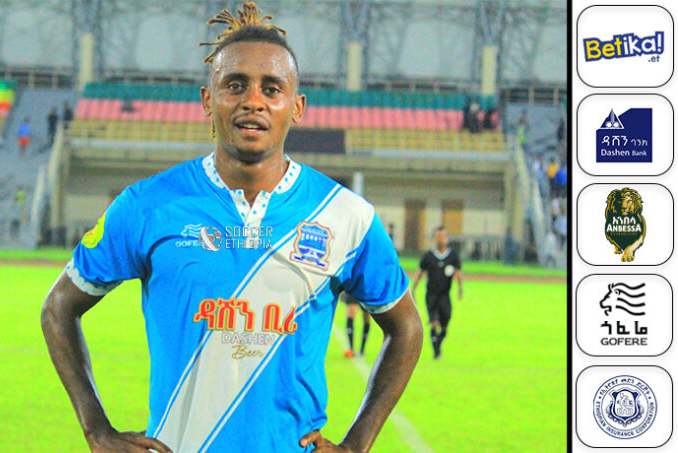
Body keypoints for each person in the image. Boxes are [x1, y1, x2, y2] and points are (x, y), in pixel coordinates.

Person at [40, 2, 423, 453]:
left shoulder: (346, 215)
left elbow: (406, 326)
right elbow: (58, 307)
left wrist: (358, 444)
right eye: (235, 85)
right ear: (208, 99)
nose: (253, 101)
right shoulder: (147, 205)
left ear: (297, 107)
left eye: (272, 88)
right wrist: (96, 429)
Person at [411, 226, 463, 359]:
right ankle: (436, 352)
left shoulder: (453, 256)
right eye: (438, 236)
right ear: (434, 239)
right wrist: (414, 288)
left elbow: (458, 273)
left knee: (445, 324)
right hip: (431, 295)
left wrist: (460, 289)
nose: (441, 239)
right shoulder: (428, 256)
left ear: (447, 238)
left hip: (445, 295)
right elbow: (420, 272)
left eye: (443, 236)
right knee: (434, 322)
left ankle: (438, 343)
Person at [341, 292, 371, 358]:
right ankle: (351, 349)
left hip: (366, 291)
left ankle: (362, 349)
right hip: (354, 290)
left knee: (366, 318)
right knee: (351, 317)